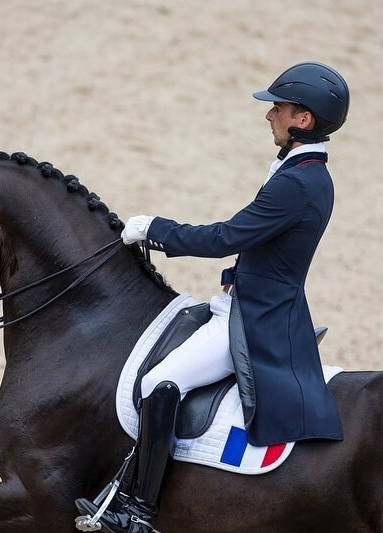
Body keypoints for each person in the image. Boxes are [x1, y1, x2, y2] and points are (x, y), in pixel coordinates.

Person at [76, 61, 349, 533]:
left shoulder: (298, 182)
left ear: (302, 120)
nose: (269, 115)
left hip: (256, 317)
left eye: (279, 108)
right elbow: (266, 247)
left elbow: (226, 236)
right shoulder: (305, 172)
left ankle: (139, 512)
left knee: (160, 384)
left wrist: (155, 229)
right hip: (249, 298)